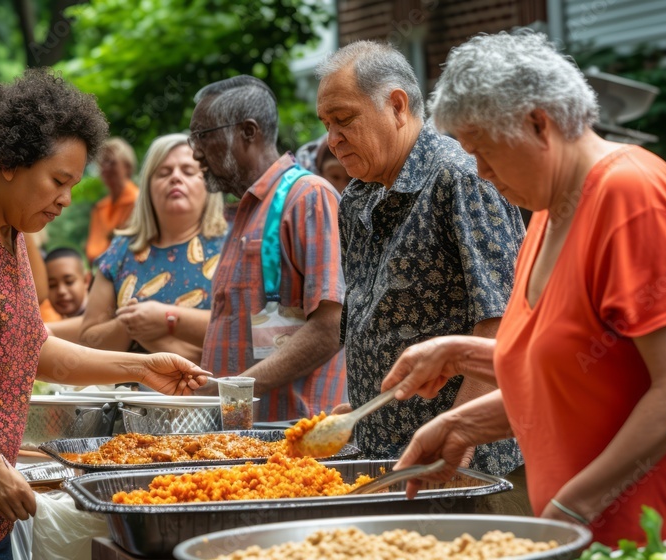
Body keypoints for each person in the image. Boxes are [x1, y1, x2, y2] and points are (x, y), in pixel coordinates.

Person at [0, 69, 209, 559]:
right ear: (10, 162)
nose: (66, 200)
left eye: (73, 184)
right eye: (58, 181)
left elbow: (38, 348)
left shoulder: (10, 232)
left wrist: (141, 369)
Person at [380, 31, 666, 544]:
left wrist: (574, 506)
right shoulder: (546, 213)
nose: (478, 171)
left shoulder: (630, 193)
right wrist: (463, 424)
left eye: (482, 151)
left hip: (646, 540)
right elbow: (573, 379)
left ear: (539, 124)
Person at [315, 41, 525, 485]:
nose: (332, 139)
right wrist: (365, 407)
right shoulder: (358, 194)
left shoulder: (461, 178)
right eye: (326, 124)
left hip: (470, 467)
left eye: (344, 119)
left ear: (396, 105)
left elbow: (503, 323)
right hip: (385, 458)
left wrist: (458, 439)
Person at [190, 76, 347, 422]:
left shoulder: (308, 197)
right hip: (247, 437)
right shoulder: (247, 211)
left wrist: (228, 392)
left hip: (294, 441)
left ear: (248, 132)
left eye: (203, 136)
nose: (195, 152)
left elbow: (331, 328)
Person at [80, 133, 228, 364]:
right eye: (164, 172)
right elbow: (89, 341)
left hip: (205, 397)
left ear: (209, 184)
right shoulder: (121, 250)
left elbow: (243, 335)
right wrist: (129, 324)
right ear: (148, 187)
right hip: (126, 395)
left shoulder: (232, 247)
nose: (176, 178)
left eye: (188, 172)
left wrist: (167, 321)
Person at [85, 137, 139, 263]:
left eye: (111, 162)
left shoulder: (139, 203)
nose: (105, 168)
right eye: (102, 163)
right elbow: (92, 249)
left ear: (127, 167)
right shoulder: (100, 208)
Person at [42, 247, 91, 343]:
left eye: (69, 282)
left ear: (86, 280)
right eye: (52, 285)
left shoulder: (104, 313)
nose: (61, 291)